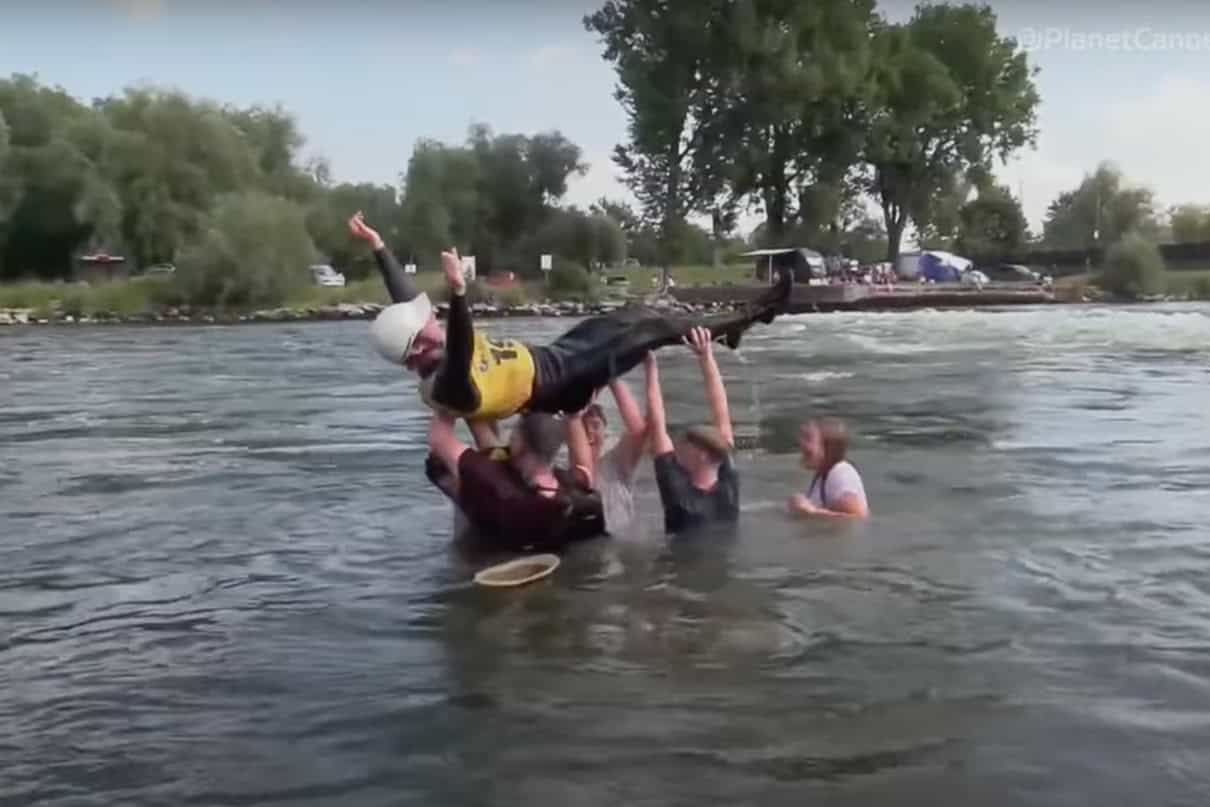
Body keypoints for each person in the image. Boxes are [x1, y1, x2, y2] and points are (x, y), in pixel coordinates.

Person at [348, 212, 793, 422]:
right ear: (419, 346)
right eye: (426, 324)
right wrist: (459, 292)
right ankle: (754, 315)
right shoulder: (445, 386)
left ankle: (727, 332)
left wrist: (377, 245)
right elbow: (462, 348)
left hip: (554, 358)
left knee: (636, 313)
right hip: (560, 383)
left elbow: (404, 303)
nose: (432, 319)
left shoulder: (423, 348)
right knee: (652, 330)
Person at [424, 410, 606, 552]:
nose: (511, 437)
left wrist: (446, 392)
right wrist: (573, 414)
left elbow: (438, 437)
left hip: (484, 560)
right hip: (536, 555)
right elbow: (584, 466)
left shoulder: (493, 483)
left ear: (521, 444)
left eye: (514, 434)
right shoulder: (572, 488)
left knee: (441, 466)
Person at [644, 327, 740, 534]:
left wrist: (650, 370)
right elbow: (722, 413)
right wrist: (706, 357)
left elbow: (657, 424)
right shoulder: (728, 476)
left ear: (702, 454)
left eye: (684, 446)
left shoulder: (675, 488)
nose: (677, 449)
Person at [572, 379, 648, 534]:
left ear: (605, 431)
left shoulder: (615, 463)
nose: (591, 431)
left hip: (618, 545)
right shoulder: (562, 476)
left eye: (595, 425)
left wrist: (612, 377)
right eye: (584, 426)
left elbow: (639, 432)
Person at [788, 417, 869, 520]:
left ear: (828, 447)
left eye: (808, 439)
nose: (801, 444)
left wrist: (810, 511)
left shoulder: (840, 473)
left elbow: (858, 518)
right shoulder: (823, 475)